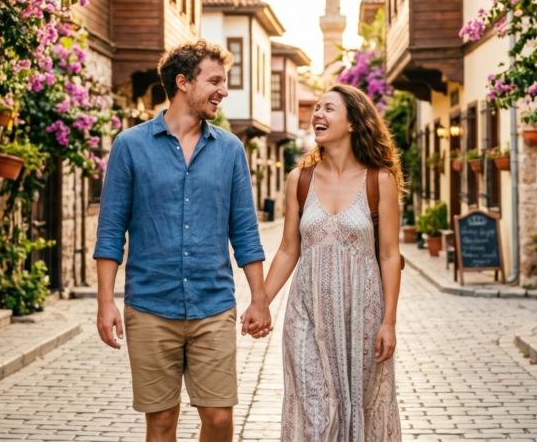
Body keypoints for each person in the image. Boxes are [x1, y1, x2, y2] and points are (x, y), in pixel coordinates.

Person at [94, 40, 272, 442]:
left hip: (213, 306)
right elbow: (110, 231)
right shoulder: (130, 146)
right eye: (215, 81)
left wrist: (259, 298)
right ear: (183, 83)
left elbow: (244, 230)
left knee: (220, 418)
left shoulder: (230, 149)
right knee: (160, 423)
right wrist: (105, 302)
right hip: (150, 306)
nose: (223, 91)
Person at [254, 84, 403, 441]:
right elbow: (289, 249)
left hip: (361, 315)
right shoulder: (299, 179)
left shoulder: (379, 181)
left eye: (329, 109)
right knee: (316, 416)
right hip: (306, 313)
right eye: (316, 108)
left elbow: (389, 255)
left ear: (353, 123)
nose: (317, 114)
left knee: (360, 413)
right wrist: (261, 302)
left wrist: (389, 322)